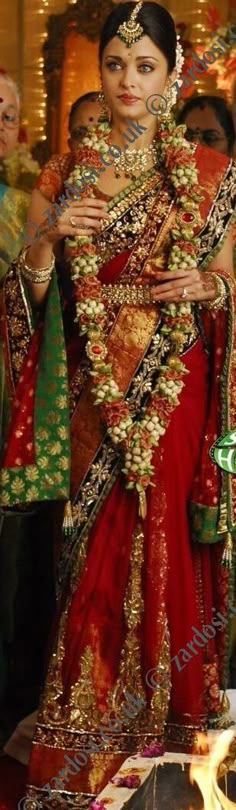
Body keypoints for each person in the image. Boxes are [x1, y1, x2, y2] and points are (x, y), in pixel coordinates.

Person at [0, 1, 235, 805]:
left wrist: (212, 283)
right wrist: (50, 236)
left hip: (178, 385)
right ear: (99, 72)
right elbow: (24, 296)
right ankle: (84, 748)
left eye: (146, 67)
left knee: (166, 536)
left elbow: (232, 283)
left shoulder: (208, 177)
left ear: (172, 77)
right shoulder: (64, 176)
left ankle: (165, 739)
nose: (128, 82)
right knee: (92, 552)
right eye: (114, 65)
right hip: (95, 396)